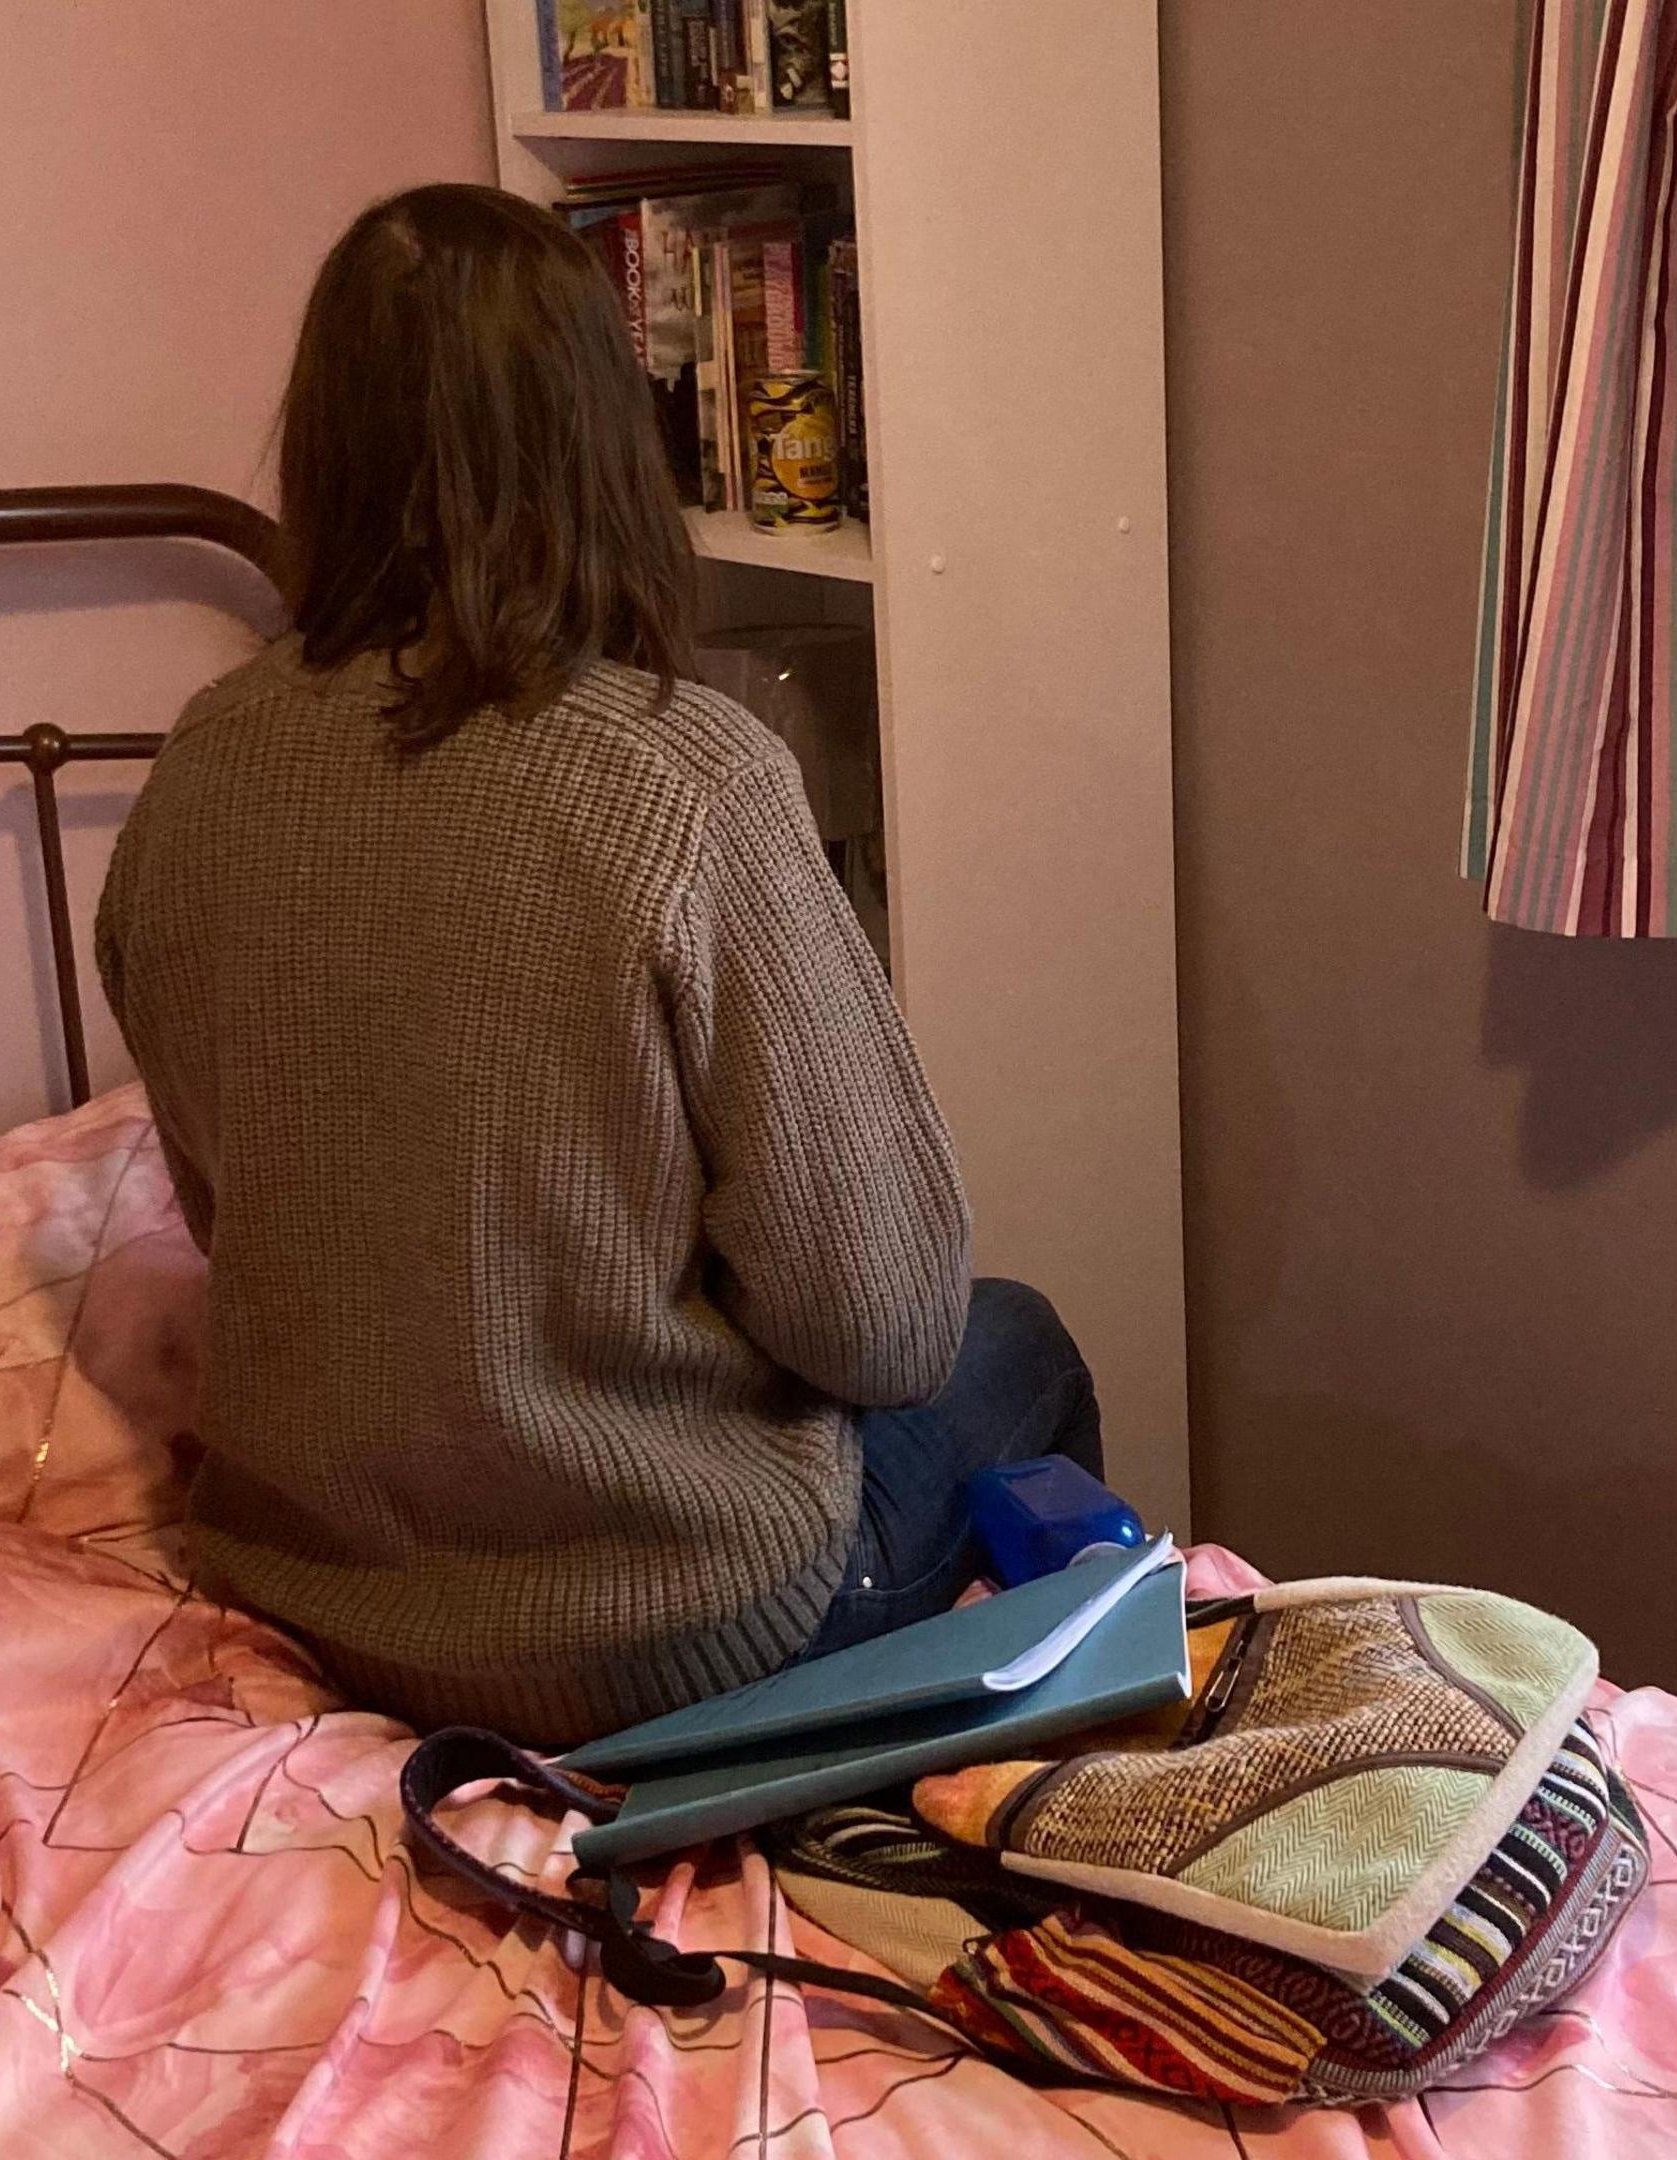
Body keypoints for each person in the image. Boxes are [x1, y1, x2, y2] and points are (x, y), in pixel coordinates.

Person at [96, 182, 1102, 1747]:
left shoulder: (201, 768)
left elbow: (245, 1214)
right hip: (665, 1633)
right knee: (1011, 1340)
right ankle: (995, 1787)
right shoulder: (686, 779)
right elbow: (884, 1326)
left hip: (317, 1593)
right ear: (597, 440)